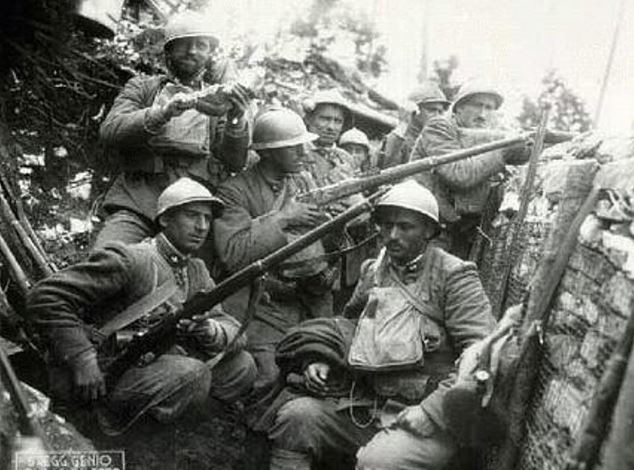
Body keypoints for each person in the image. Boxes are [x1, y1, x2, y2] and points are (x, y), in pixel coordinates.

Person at [262, 180, 496, 470]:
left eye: (405, 227)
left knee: (379, 462)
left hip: (425, 417)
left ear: (428, 231)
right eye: (386, 226)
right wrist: (322, 359)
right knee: (296, 418)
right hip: (363, 405)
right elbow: (350, 328)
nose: (392, 235)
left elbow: (483, 353)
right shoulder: (374, 271)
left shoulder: (455, 276)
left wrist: (432, 411)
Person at [26, 178, 256, 434]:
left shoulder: (196, 270)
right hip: (107, 371)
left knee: (242, 367)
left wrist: (210, 329)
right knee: (193, 373)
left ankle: (177, 431)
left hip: (159, 363)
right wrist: (83, 358)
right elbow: (46, 295)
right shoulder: (131, 259)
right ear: (165, 219)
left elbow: (234, 330)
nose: (201, 227)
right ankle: (124, 434)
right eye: (192, 216)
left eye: (206, 218)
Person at [213, 107, 337, 422]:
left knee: (320, 372)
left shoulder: (303, 182)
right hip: (258, 303)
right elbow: (233, 254)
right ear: (268, 153)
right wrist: (284, 217)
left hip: (304, 299)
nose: (304, 152)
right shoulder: (233, 192)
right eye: (294, 147)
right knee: (270, 374)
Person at [95, 10, 252, 249]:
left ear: (210, 53)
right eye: (184, 44)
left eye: (201, 45)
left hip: (194, 210)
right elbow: (111, 131)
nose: (192, 51)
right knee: (108, 260)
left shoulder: (218, 101)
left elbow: (234, 162)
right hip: (140, 203)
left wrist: (236, 119)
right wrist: (163, 112)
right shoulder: (142, 87)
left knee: (205, 280)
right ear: (168, 50)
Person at [410, 80, 531, 259]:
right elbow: (459, 174)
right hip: (425, 231)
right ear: (458, 108)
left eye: (489, 108)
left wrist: (526, 145)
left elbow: (521, 156)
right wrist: (504, 150)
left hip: (460, 232)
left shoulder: (487, 137)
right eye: (477, 106)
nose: (483, 114)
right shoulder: (438, 127)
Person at [380, 82, 449, 169]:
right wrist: (403, 125)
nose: (437, 116)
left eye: (440, 112)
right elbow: (382, 168)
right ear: (414, 111)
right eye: (432, 110)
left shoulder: (441, 141)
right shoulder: (399, 139)